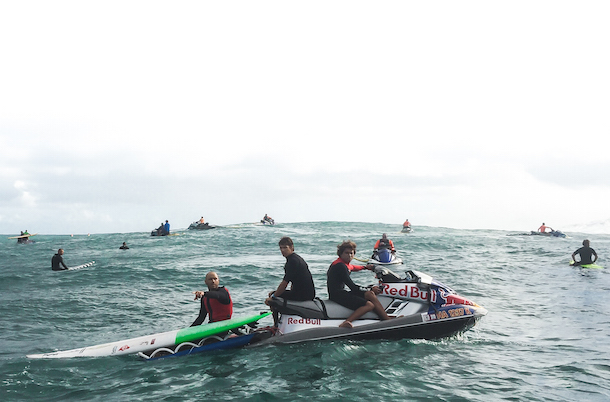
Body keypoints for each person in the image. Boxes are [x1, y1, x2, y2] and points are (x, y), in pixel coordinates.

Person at [327, 240, 392, 328]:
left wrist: (366, 267)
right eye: (346, 253)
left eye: (352, 253)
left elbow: (353, 267)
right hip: (337, 295)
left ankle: (386, 318)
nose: (349, 255)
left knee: (370, 294)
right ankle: (346, 322)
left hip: (340, 293)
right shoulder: (340, 266)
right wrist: (369, 289)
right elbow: (352, 287)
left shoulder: (343, 264)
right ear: (340, 254)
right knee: (369, 305)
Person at [265, 236, 316, 326]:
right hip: (308, 293)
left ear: (292, 247)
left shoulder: (292, 262)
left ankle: (276, 324)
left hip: (304, 295)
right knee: (276, 295)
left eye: (285, 247)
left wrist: (273, 297)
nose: (282, 250)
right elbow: (294, 281)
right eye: (281, 248)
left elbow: (285, 283)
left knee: (272, 297)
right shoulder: (296, 258)